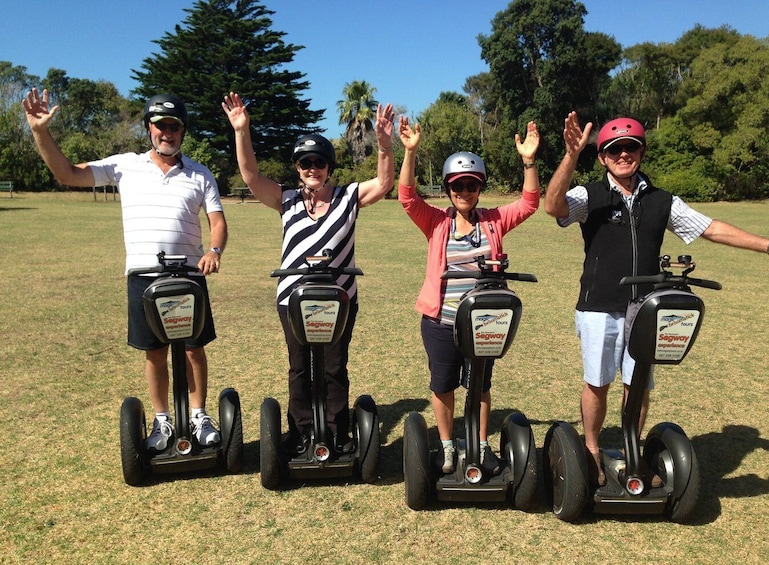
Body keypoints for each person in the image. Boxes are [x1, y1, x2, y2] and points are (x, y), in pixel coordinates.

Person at [544, 111, 769, 486]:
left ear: (642, 153)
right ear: (602, 156)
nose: (623, 155)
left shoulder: (661, 200)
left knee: (638, 384)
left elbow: (710, 228)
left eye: (631, 148)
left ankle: (631, 451)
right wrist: (570, 155)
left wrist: (768, 246)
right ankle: (591, 451)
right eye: (614, 149)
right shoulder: (590, 194)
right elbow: (553, 207)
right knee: (597, 383)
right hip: (599, 305)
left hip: (646, 308)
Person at [23, 87, 227, 452]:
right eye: (160, 125)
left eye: (174, 126)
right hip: (144, 275)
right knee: (154, 352)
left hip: (189, 276)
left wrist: (213, 250)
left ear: (183, 131)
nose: (167, 133)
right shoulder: (125, 165)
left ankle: (199, 416)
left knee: (194, 349)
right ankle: (162, 419)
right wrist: (41, 132)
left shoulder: (200, 173)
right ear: (149, 128)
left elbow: (217, 220)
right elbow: (69, 174)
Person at [221, 92, 395, 454]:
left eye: (318, 163)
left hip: (339, 297)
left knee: (333, 367)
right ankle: (300, 432)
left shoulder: (348, 197)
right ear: (297, 168)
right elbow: (251, 176)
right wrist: (242, 130)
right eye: (304, 164)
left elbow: (383, 183)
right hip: (293, 299)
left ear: (329, 166)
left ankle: (335, 432)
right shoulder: (286, 199)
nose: (311, 169)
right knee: (299, 367)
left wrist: (383, 145)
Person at [397, 115, 540, 474]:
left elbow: (529, 202)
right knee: (443, 385)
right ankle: (447, 447)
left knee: (480, 384)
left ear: (479, 189)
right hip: (441, 320)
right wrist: (411, 153)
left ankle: (478, 442)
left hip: (484, 322)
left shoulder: (493, 221)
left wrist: (529, 161)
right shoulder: (436, 222)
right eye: (458, 186)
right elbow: (407, 198)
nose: (464, 192)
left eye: (471, 186)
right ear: (448, 189)